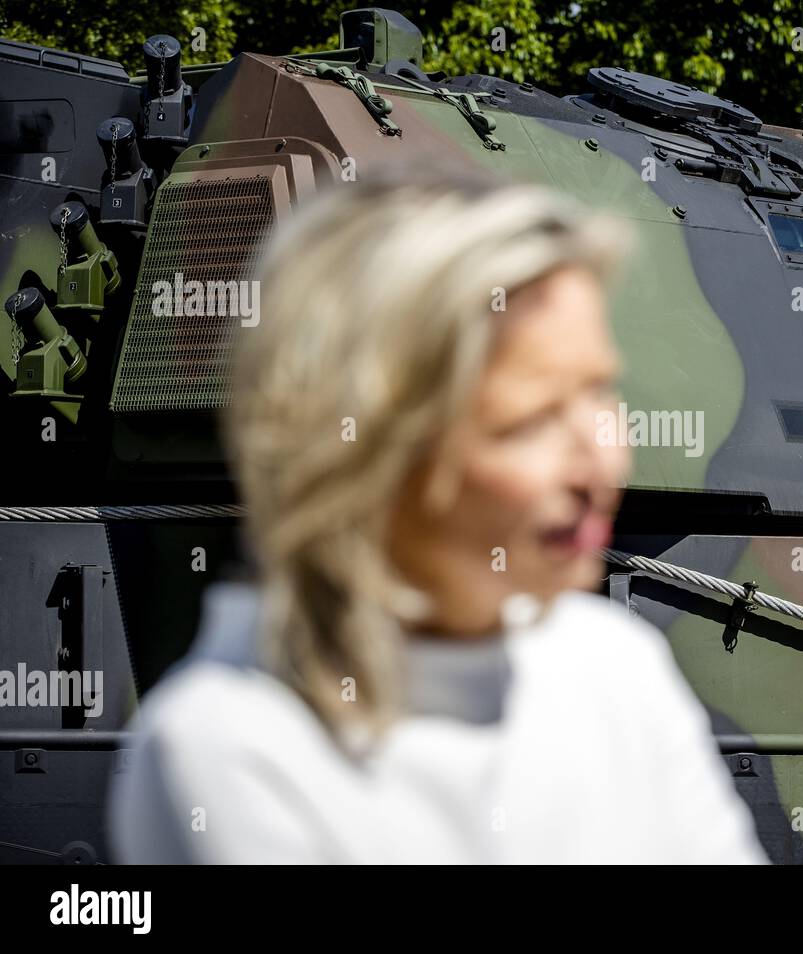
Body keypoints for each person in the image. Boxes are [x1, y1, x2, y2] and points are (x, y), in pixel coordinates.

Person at [107, 167, 767, 864]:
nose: (604, 464)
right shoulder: (232, 749)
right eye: (532, 418)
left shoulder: (615, 667)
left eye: (600, 390)